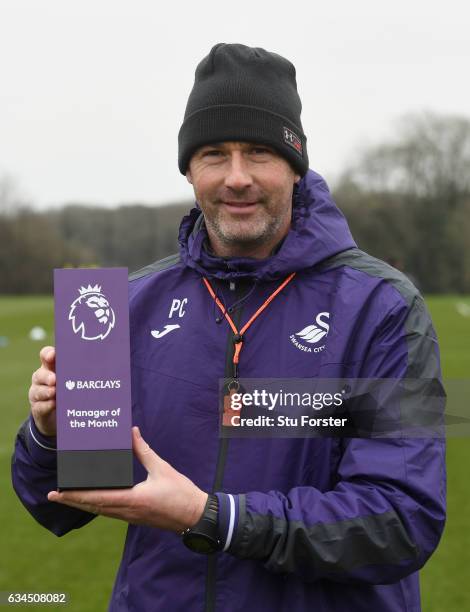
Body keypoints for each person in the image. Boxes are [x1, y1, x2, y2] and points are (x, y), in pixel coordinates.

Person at [12, 43, 446, 612]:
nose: (236, 177)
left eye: (260, 152)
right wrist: (53, 433)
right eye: (215, 153)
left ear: (295, 167)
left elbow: (399, 519)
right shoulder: (131, 303)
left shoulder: (382, 307)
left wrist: (212, 517)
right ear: (190, 169)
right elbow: (57, 504)